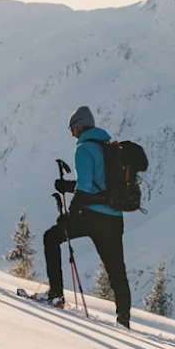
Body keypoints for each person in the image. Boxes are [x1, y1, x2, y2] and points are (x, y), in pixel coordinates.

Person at [42, 105, 133, 328]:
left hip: (91, 217)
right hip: (114, 218)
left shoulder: (83, 149)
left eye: (72, 128)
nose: (71, 132)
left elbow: (85, 187)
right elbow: (98, 184)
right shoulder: (109, 147)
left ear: (80, 126)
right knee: (117, 270)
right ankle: (123, 320)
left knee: (51, 238)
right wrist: (66, 186)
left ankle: (56, 295)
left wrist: (69, 216)